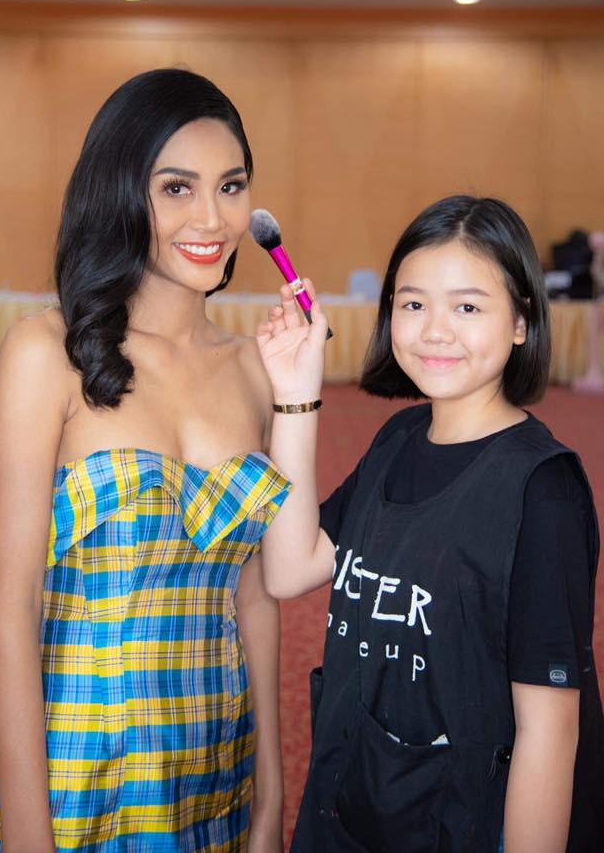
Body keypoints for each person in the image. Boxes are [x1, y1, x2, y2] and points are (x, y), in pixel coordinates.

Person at [0, 68, 290, 853]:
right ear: (119, 193)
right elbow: (10, 608)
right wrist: (31, 835)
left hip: (214, 775)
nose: (211, 217)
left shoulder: (255, 370)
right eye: (176, 188)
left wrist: (271, 798)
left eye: (231, 186)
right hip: (78, 780)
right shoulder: (48, 352)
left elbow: (255, 601)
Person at [255, 195, 604, 852]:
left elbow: (550, 730)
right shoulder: (399, 439)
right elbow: (289, 568)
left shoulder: (541, 491)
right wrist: (295, 394)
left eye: (468, 308)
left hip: (462, 821)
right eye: (413, 304)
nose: (434, 331)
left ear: (522, 321)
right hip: (359, 806)